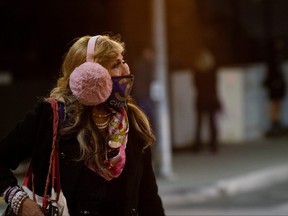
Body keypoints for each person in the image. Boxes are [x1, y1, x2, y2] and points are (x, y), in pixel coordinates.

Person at [0, 34, 165, 216]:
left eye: (123, 61)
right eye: (115, 65)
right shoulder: (51, 116)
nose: (126, 69)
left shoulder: (132, 121)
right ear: (89, 75)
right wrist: (19, 201)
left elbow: (148, 198)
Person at [191, 48, 222, 154]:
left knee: (199, 123)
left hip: (200, 98)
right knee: (212, 122)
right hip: (211, 98)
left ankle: (197, 146)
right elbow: (215, 86)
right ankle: (213, 146)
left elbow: (195, 85)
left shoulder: (197, 71)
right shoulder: (212, 71)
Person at [263, 38, 287, 137]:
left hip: (278, 84)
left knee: (277, 103)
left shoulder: (278, 57)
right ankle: (274, 123)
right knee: (274, 103)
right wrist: (273, 82)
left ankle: (276, 122)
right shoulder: (272, 58)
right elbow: (271, 73)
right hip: (274, 84)